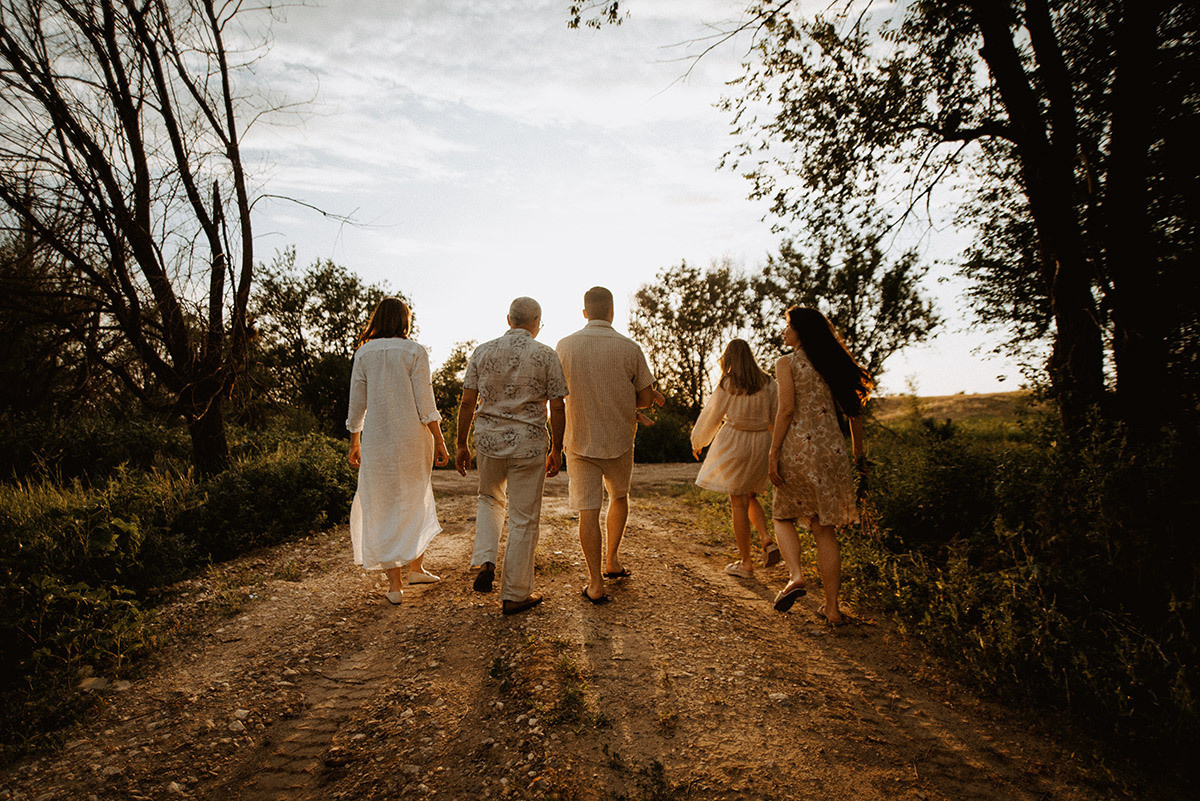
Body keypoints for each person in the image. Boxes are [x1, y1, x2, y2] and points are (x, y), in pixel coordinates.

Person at [455, 297, 567, 616]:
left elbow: (466, 403)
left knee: (489, 498)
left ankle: (486, 559)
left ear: (508, 319)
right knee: (523, 516)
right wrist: (557, 448)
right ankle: (515, 593)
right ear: (537, 323)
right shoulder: (545, 354)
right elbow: (557, 406)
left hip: (488, 441)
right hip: (529, 444)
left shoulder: (482, 351)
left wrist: (461, 444)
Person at [556, 286, 664, 604]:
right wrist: (632, 401)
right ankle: (612, 561)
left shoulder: (565, 346)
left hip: (579, 440)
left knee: (588, 511)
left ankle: (595, 583)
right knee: (619, 497)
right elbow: (646, 398)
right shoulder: (629, 347)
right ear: (612, 311)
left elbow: (556, 396)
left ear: (585, 312)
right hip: (620, 438)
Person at [768, 307, 871, 625]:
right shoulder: (832, 362)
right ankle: (833, 608)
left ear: (800, 330)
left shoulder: (786, 363)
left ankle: (796, 575)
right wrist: (858, 456)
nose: (784, 332)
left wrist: (773, 454)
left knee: (781, 515)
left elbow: (785, 411)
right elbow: (854, 413)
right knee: (824, 529)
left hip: (798, 449)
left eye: (787, 326)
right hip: (833, 452)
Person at [347, 297, 450, 605]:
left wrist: (355, 441)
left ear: (377, 318)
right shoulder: (414, 351)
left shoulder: (364, 353)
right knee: (415, 496)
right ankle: (414, 567)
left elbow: (357, 402)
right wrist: (441, 440)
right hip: (413, 438)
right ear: (405, 320)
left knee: (382, 503)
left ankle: (398, 584)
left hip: (377, 440)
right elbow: (425, 403)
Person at [691, 339, 780, 579]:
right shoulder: (770, 383)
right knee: (750, 494)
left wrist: (698, 441)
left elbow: (712, 414)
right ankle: (766, 540)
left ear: (729, 358)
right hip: (762, 442)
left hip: (735, 441)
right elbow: (777, 417)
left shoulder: (729, 383)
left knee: (738, 501)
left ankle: (746, 563)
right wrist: (777, 449)